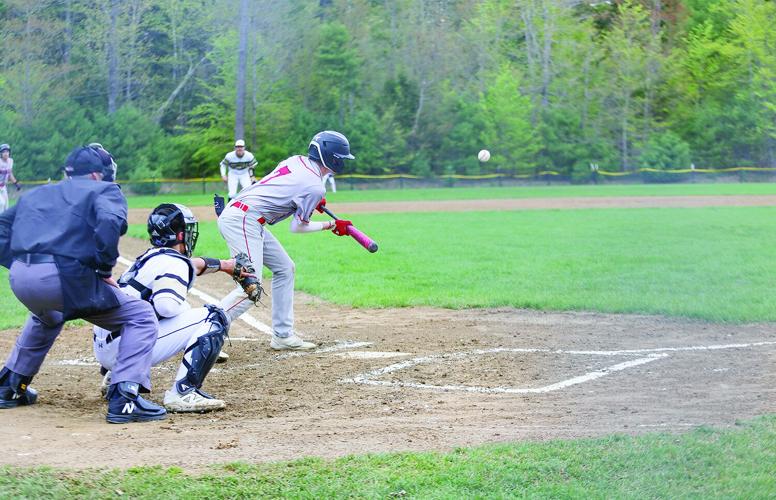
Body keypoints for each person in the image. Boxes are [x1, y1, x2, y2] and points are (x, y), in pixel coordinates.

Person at [0, 145, 166, 424]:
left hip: (20, 277)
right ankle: (125, 397)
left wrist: (21, 263)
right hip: (61, 279)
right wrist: (103, 268)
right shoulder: (104, 190)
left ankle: (9, 385)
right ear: (96, 175)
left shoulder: (38, 192)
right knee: (141, 315)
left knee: (48, 317)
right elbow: (110, 221)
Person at [93, 203, 252, 413]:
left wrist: (224, 265)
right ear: (178, 235)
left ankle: (118, 377)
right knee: (214, 316)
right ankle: (184, 392)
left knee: (179, 308)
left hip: (109, 346)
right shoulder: (174, 263)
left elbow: (191, 266)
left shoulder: (148, 258)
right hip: (125, 348)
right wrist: (197, 335)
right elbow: (166, 307)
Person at [217, 131, 355, 350]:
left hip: (246, 216)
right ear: (330, 157)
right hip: (244, 219)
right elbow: (298, 226)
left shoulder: (296, 161)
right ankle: (203, 332)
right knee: (251, 286)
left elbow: (286, 188)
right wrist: (330, 225)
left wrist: (309, 201)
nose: (341, 161)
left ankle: (282, 335)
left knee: (285, 268)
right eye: (340, 157)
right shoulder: (315, 187)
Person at [0, 144, 21, 213]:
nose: (6, 153)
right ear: (1, 154)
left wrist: (16, 183)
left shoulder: (10, 161)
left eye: (7, 151)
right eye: (4, 152)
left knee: (6, 206)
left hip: (3, 187)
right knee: (1, 204)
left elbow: (10, 174)